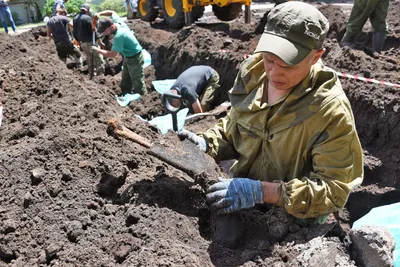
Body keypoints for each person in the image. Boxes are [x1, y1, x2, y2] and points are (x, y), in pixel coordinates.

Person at [180, 1, 363, 244]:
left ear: (316, 56)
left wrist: (261, 191)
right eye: (269, 59)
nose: (274, 73)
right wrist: (207, 143)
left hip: (294, 222)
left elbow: (334, 190)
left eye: (287, 64)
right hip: (244, 204)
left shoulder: (329, 111)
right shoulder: (253, 73)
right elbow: (234, 127)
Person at [92, 11, 147, 96]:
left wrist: (98, 50)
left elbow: (113, 54)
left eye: (105, 31)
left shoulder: (119, 36)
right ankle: (125, 94)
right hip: (128, 56)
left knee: (137, 81)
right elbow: (112, 12)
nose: (105, 34)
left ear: (111, 26)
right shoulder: (119, 23)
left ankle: (143, 98)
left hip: (135, 57)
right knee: (125, 78)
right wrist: (99, 13)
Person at [73, 4, 104, 77]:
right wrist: (100, 41)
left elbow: (74, 31)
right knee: (98, 58)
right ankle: (101, 76)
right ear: (87, 10)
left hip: (83, 43)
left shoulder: (75, 18)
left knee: (89, 58)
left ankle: (92, 75)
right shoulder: (87, 18)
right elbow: (93, 30)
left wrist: (78, 40)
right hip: (91, 42)